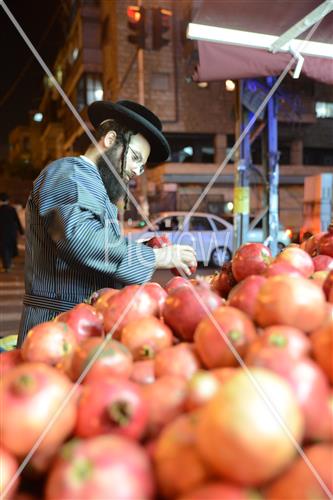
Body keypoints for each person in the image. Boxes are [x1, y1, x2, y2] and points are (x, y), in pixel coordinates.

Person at [17, 100, 196, 346]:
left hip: (83, 324)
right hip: (54, 329)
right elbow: (80, 239)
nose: (137, 170)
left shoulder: (96, 187)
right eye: (135, 158)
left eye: (142, 165)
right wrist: (157, 258)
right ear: (110, 140)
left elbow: (98, 247)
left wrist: (144, 248)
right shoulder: (68, 172)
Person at [0, 192, 24, 273]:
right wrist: (21, 232)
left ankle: (6, 265)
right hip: (11, 233)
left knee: (4, 249)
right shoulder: (12, 209)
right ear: (8, 200)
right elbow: (17, 221)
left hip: (2, 233)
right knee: (10, 248)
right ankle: (8, 264)